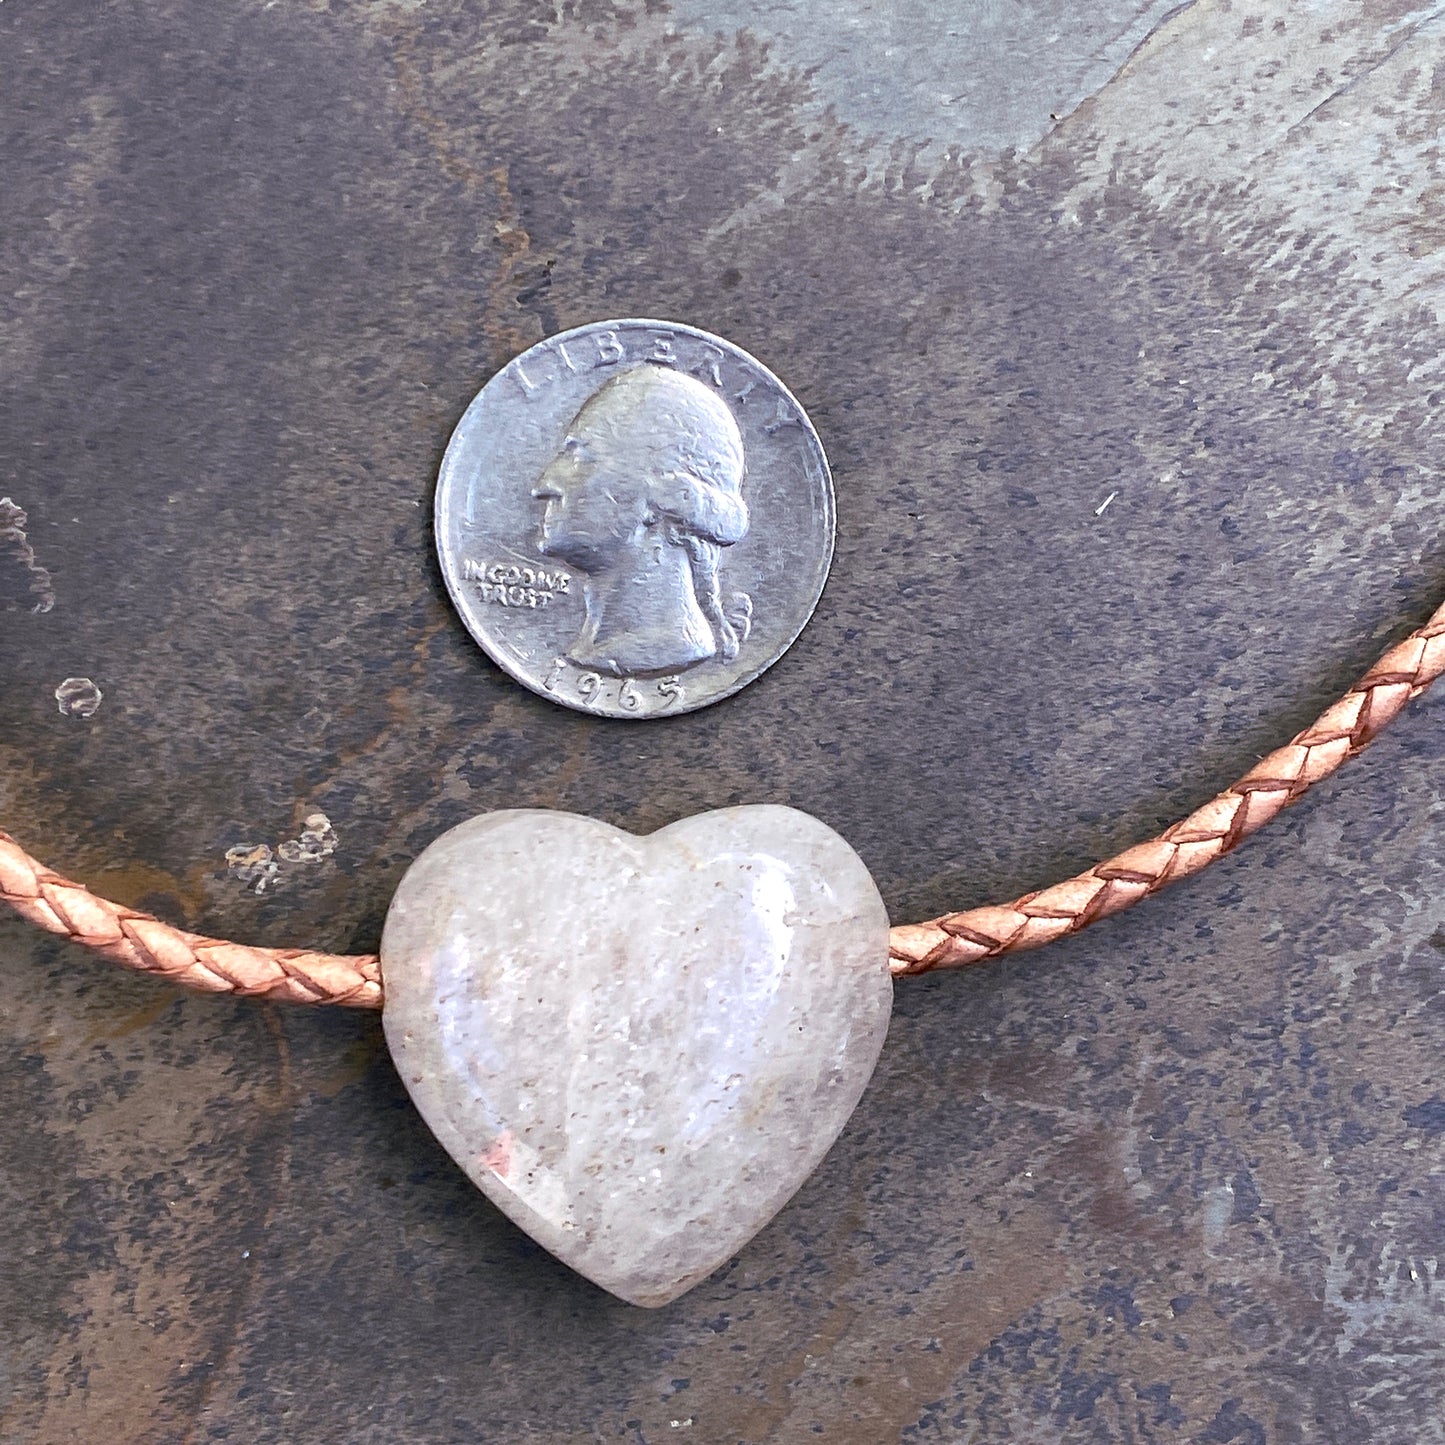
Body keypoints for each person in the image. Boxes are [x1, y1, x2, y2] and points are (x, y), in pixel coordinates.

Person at [533, 364, 753, 676]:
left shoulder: (666, 649)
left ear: (667, 496)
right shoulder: (597, 650)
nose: (542, 485)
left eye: (581, 457)